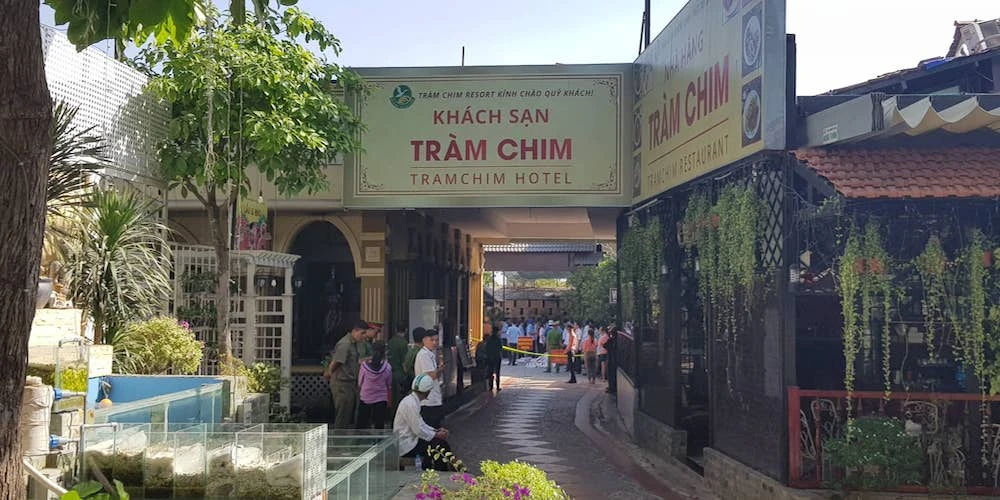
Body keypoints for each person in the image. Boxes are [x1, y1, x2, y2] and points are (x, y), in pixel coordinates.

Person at [393, 374, 456, 471]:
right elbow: (418, 430)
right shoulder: (411, 404)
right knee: (439, 446)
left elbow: (421, 424)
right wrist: (436, 434)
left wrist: (435, 431)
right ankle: (442, 472)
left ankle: (446, 469)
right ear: (427, 392)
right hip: (407, 444)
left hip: (411, 440)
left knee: (440, 443)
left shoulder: (412, 401)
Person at [325, 321, 366, 428]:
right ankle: (339, 436)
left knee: (347, 413)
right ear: (355, 331)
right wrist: (329, 373)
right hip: (342, 383)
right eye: (362, 333)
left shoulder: (353, 344)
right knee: (343, 413)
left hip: (349, 383)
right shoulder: (345, 344)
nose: (363, 336)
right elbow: (337, 362)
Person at [414, 329, 445, 428]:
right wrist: (440, 369)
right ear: (424, 340)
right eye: (431, 340)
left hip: (433, 398)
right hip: (428, 400)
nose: (434, 343)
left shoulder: (430, 354)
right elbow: (431, 375)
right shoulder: (424, 355)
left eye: (436, 340)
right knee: (431, 427)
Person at [358, 341, 392, 429]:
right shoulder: (387, 367)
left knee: (362, 424)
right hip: (381, 398)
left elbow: (360, 382)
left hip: (365, 397)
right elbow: (388, 384)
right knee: (379, 424)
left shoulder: (364, 366)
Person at [387, 323, 410, 418]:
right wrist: (408, 374)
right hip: (400, 375)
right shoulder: (403, 343)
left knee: (392, 398)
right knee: (400, 398)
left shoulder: (390, 341)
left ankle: (391, 417)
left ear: (396, 329)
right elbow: (404, 362)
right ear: (406, 330)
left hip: (390, 373)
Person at [483, 324, 503, 392]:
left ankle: (490, 386)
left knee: (490, 372)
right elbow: (500, 348)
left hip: (490, 357)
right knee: (497, 372)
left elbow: (486, 348)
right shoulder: (498, 339)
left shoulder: (489, 339)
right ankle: (497, 386)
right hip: (497, 357)